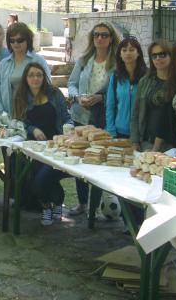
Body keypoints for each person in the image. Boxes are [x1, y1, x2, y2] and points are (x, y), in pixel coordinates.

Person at [66, 22, 119, 216]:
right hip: (80, 115)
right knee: (80, 158)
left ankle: (95, 207)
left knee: (97, 161)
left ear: (111, 38)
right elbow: (71, 83)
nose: (100, 38)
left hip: (102, 118)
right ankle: (82, 203)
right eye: (96, 35)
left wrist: (100, 98)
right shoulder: (84, 60)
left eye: (104, 35)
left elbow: (117, 91)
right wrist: (78, 97)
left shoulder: (116, 63)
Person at [13, 62, 73, 226]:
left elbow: (66, 117)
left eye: (39, 75)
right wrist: (33, 129)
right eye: (31, 75)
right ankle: (47, 206)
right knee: (39, 180)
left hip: (57, 147)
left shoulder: (54, 93)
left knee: (45, 177)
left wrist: (69, 130)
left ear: (44, 77)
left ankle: (57, 204)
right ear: (26, 78)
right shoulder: (21, 96)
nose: (36, 78)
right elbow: (19, 122)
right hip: (36, 148)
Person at [0, 22, 50, 115]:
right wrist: (0, 112)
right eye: (12, 40)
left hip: (34, 114)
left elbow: (47, 86)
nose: (16, 43)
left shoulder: (38, 60)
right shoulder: (3, 64)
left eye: (20, 40)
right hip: (9, 114)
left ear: (28, 40)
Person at [130, 40, 172, 151]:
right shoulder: (145, 81)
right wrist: (134, 141)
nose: (158, 58)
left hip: (171, 146)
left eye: (162, 54)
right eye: (154, 56)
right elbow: (136, 112)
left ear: (171, 55)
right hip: (146, 142)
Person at [105, 36, 148, 138]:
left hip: (142, 132)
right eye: (124, 50)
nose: (128, 53)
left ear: (138, 53)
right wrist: (111, 130)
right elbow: (110, 105)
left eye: (132, 50)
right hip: (119, 132)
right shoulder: (115, 77)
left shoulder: (147, 76)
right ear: (120, 54)